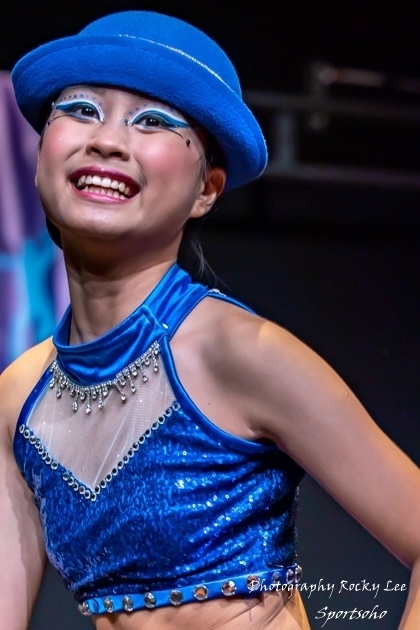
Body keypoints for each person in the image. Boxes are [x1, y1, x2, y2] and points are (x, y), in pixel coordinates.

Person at [1, 10, 419, 630]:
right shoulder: (18, 397)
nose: (108, 140)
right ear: (39, 154)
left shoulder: (241, 353)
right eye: (82, 110)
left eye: (153, 121)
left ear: (207, 190)